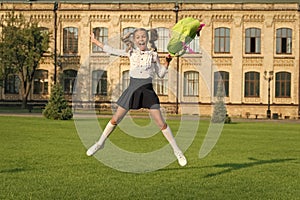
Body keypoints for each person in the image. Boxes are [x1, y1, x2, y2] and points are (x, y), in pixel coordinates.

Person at [86, 28, 187, 167]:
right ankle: (100, 143)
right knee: (115, 119)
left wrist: (167, 61)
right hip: (132, 89)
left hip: (148, 90)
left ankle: (177, 152)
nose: (141, 39)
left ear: (147, 39)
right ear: (134, 40)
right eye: (138, 37)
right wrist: (95, 41)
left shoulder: (153, 55)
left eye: (143, 37)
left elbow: (161, 73)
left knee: (160, 123)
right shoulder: (130, 52)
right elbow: (110, 50)